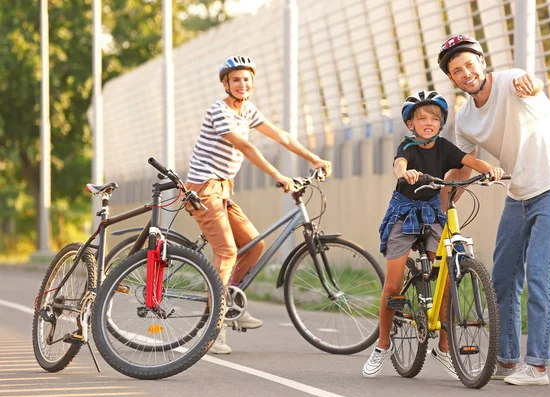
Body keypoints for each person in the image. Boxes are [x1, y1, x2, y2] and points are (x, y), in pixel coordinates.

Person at [437, 34, 550, 386]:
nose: (466, 73)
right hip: (518, 191)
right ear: (452, 79)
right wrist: (441, 199)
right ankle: (505, 359)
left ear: (482, 62)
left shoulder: (512, 81)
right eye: (457, 70)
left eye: (469, 64)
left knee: (539, 274)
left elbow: (531, 85)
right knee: (502, 277)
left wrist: (531, 83)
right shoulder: (465, 118)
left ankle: (537, 366)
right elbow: (462, 166)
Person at [185, 55, 332, 355]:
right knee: (226, 252)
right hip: (204, 188)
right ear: (226, 84)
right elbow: (245, 146)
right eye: (236, 79)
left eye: (246, 79)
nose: (242, 84)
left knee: (254, 246)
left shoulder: (248, 110)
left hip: (224, 189)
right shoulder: (219, 110)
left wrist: (313, 158)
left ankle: (231, 303)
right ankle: (215, 328)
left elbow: (280, 136)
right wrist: (278, 176)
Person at [362, 90, 504, 378]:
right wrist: (405, 173)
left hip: (432, 211)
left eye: (435, 118)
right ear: (411, 124)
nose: (429, 122)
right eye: (421, 118)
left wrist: (490, 169)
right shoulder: (408, 147)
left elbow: (468, 161)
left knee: (448, 278)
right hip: (404, 213)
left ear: (441, 123)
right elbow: (399, 163)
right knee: (393, 284)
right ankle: (383, 344)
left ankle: (443, 346)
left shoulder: (444, 147)